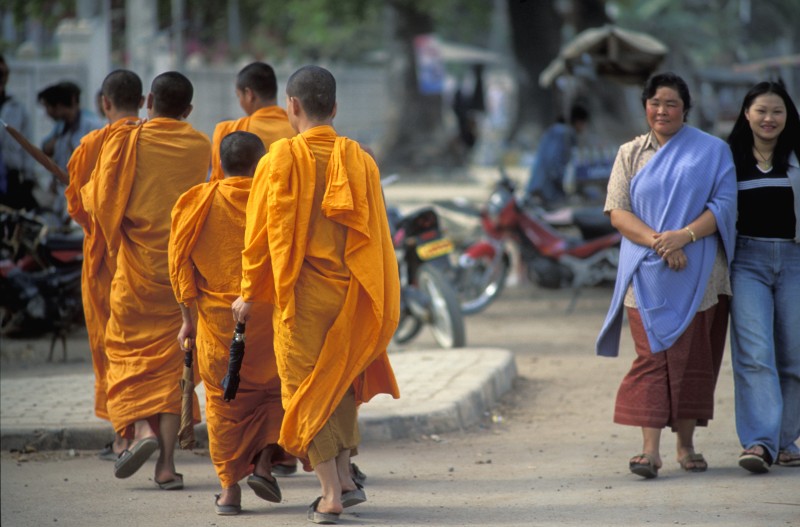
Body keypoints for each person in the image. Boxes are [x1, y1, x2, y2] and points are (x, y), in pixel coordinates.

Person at [231, 65, 400, 524]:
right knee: (338, 383)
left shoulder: (278, 160)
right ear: (336, 108)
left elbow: (260, 238)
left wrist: (250, 293)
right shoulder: (361, 160)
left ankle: (329, 497)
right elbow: (379, 236)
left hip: (302, 298)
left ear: (293, 106)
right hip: (350, 296)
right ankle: (344, 476)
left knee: (306, 391)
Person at [595, 72, 737, 479]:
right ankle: (649, 451)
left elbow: (724, 206)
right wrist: (662, 243)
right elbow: (617, 210)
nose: (662, 110)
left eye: (671, 103)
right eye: (655, 102)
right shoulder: (630, 153)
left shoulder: (712, 151)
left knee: (694, 358)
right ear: (645, 106)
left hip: (701, 272)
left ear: (685, 109)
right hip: (644, 269)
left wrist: (685, 237)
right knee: (652, 356)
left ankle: (687, 446)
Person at [81, 71, 211, 488]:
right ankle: (167, 466)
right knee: (174, 367)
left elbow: (101, 204)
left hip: (136, 271)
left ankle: (139, 430)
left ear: (148, 100)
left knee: (122, 350)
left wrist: (84, 194)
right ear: (188, 110)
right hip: (181, 278)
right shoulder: (200, 145)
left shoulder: (126, 141)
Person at [169, 131, 286, 515]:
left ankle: (229, 490)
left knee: (223, 403)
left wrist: (187, 321)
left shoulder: (195, 202)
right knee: (275, 395)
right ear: (262, 164)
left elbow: (180, 272)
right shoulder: (275, 201)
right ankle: (265, 464)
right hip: (269, 320)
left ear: (220, 164)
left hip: (219, 328)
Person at [65, 69, 144, 462]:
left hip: (103, 262)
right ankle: (146, 428)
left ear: (104, 104)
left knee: (112, 346)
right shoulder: (154, 140)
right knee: (146, 345)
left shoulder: (93, 145)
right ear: (144, 102)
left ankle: (123, 436)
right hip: (144, 258)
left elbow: (79, 207)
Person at [726, 81, 800, 473]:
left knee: (794, 356)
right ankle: (760, 442)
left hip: (796, 260)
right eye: (761, 111)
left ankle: (786, 439)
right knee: (755, 355)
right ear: (746, 114)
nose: (769, 118)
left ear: (788, 116)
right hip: (747, 261)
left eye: (778, 111)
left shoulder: (798, 156)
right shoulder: (728, 159)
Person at [208, 61, 296, 182]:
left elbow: (221, 184)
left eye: (239, 96)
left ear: (249, 95)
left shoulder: (229, 131)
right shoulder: (298, 129)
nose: (240, 101)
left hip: (245, 200)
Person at [38, 81, 104, 216]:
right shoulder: (62, 127)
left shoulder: (92, 125)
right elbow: (47, 149)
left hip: (86, 194)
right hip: (64, 194)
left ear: (59, 106)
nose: (47, 113)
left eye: (49, 107)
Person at [524, 104, 590, 207]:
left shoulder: (553, 131)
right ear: (578, 122)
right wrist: (562, 187)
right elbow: (554, 165)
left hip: (536, 185)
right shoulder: (565, 135)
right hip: (547, 191)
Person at [0, 54, 36, 210]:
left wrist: (28, 178)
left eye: (4, 74)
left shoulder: (16, 108)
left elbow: (27, 144)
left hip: (11, 176)